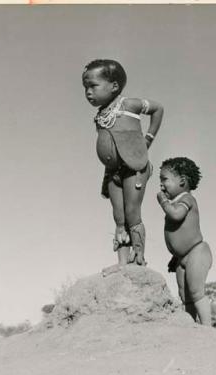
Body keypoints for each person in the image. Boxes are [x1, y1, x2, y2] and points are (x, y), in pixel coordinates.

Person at [82, 59, 164, 266]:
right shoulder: (101, 114)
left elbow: (158, 109)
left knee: (132, 214)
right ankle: (122, 266)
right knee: (119, 218)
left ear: (114, 86)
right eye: (85, 87)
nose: (88, 92)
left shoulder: (128, 104)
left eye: (93, 85)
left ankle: (138, 261)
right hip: (112, 172)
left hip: (134, 168)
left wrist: (148, 140)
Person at [157, 157, 212, 325]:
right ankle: (192, 327)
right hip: (181, 258)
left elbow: (176, 215)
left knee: (196, 292)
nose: (161, 185)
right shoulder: (176, 201)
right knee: (185, 295)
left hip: (197, 252)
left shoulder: (187, 198)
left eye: (164, 179)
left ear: (181, 181)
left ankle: (207, 327)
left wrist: (163, 202)